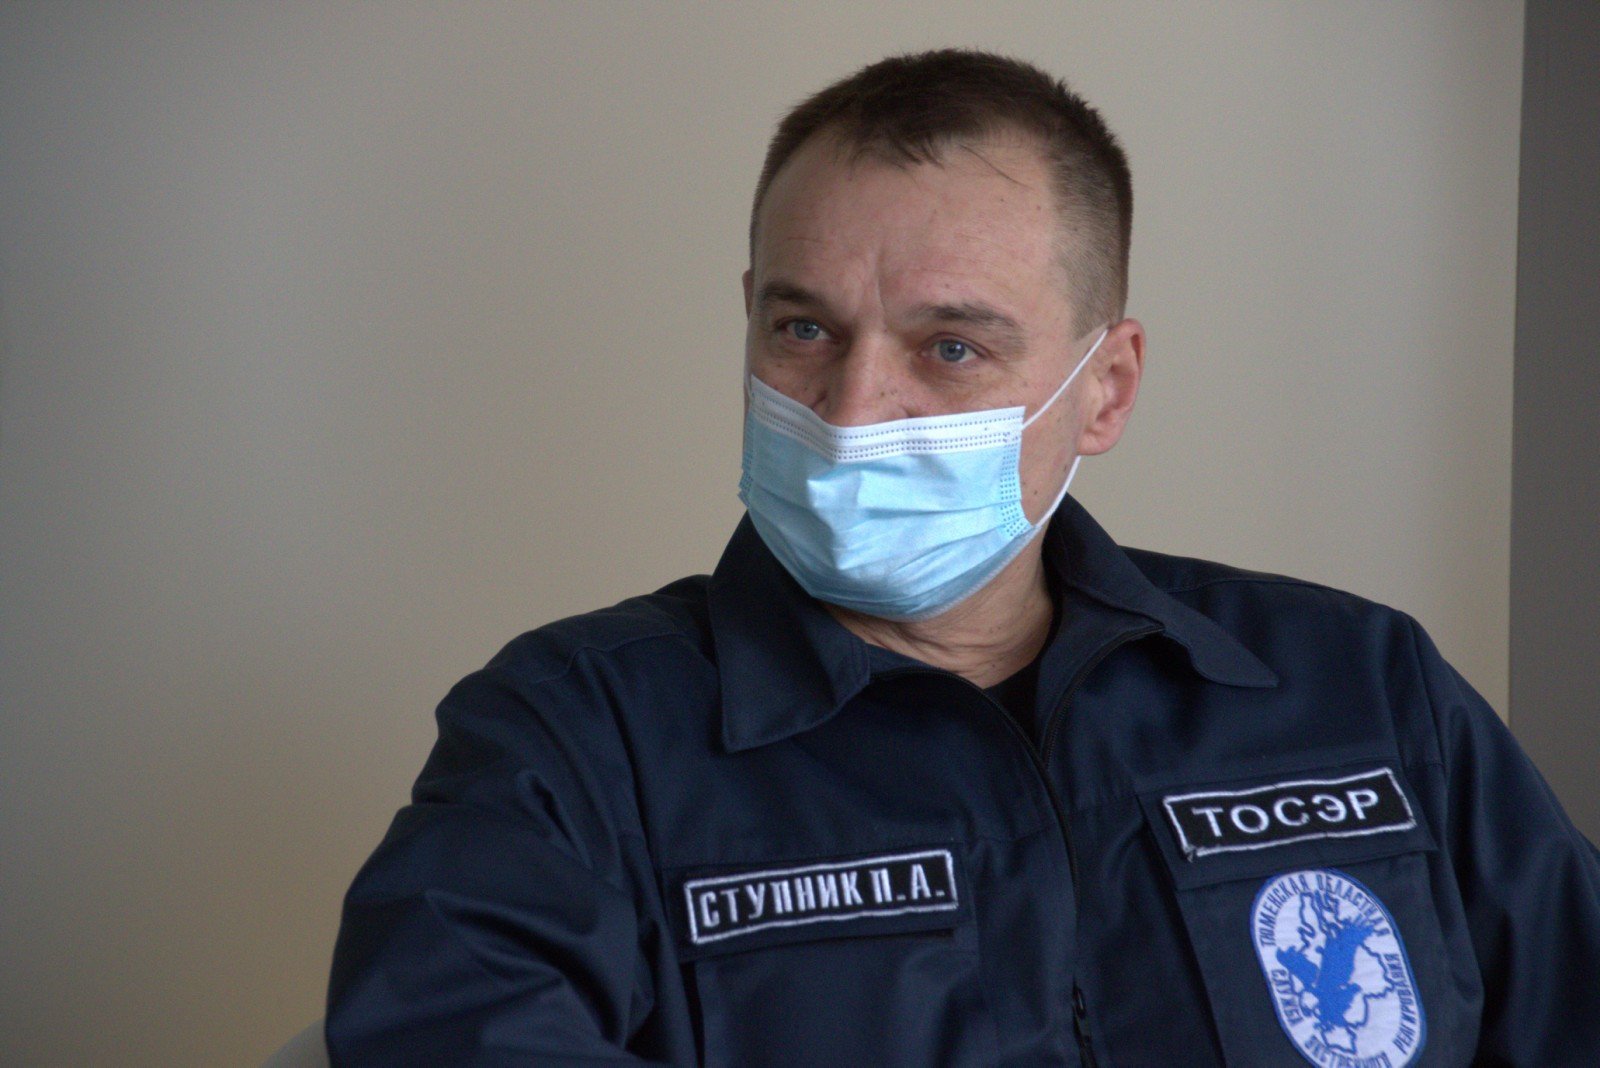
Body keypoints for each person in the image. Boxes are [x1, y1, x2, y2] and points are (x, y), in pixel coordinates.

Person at [326, 49, 1600, 1066]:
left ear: (1104, 389)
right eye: (804, 328)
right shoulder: (573, 736)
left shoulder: (1358, 686)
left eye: (951, 348)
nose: (852, 407)